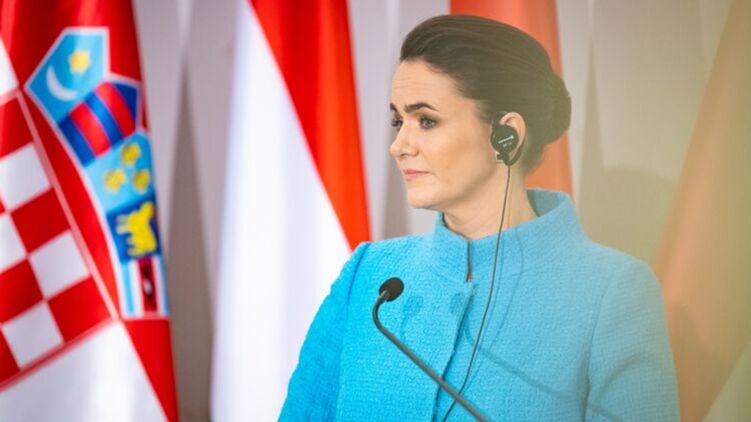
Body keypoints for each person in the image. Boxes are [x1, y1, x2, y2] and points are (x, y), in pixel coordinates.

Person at [280, 14, 679, 421]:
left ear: (507, 135)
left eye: (427, 121)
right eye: (399, 120)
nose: (399, 145)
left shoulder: (612, 292)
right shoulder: (369, 274)